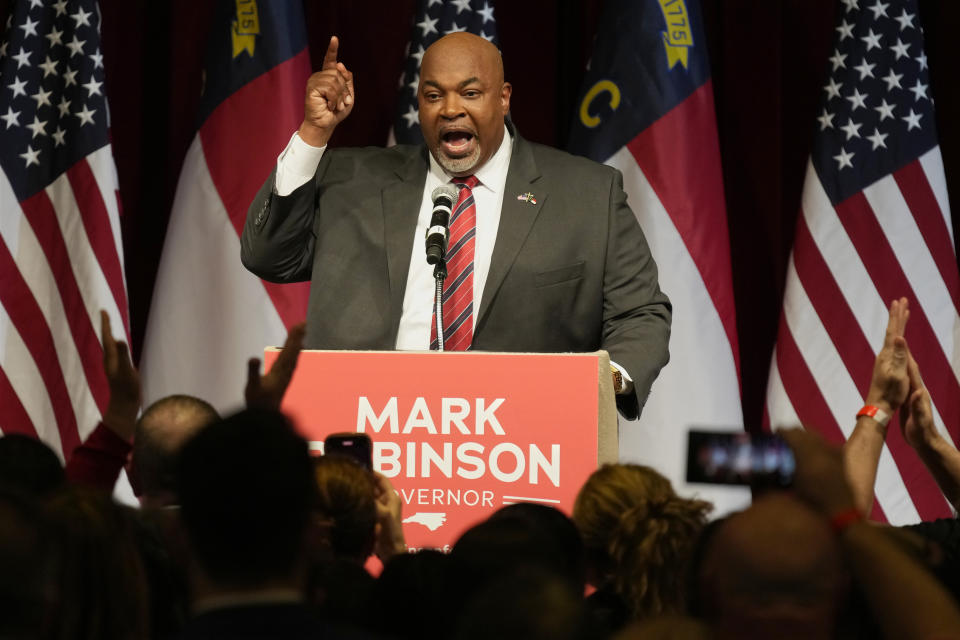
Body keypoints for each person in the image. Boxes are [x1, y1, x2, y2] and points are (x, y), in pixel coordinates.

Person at [241, 33, 671, 418]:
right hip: (366, 432)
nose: (450, 109)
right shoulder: (352, 181)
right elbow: (269, 255)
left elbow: (640, 312)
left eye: (469, 92)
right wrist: (314, 133)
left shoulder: (587, 194)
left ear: (503, 99)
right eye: (433, 96)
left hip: (523, 444)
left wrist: (604, 382)